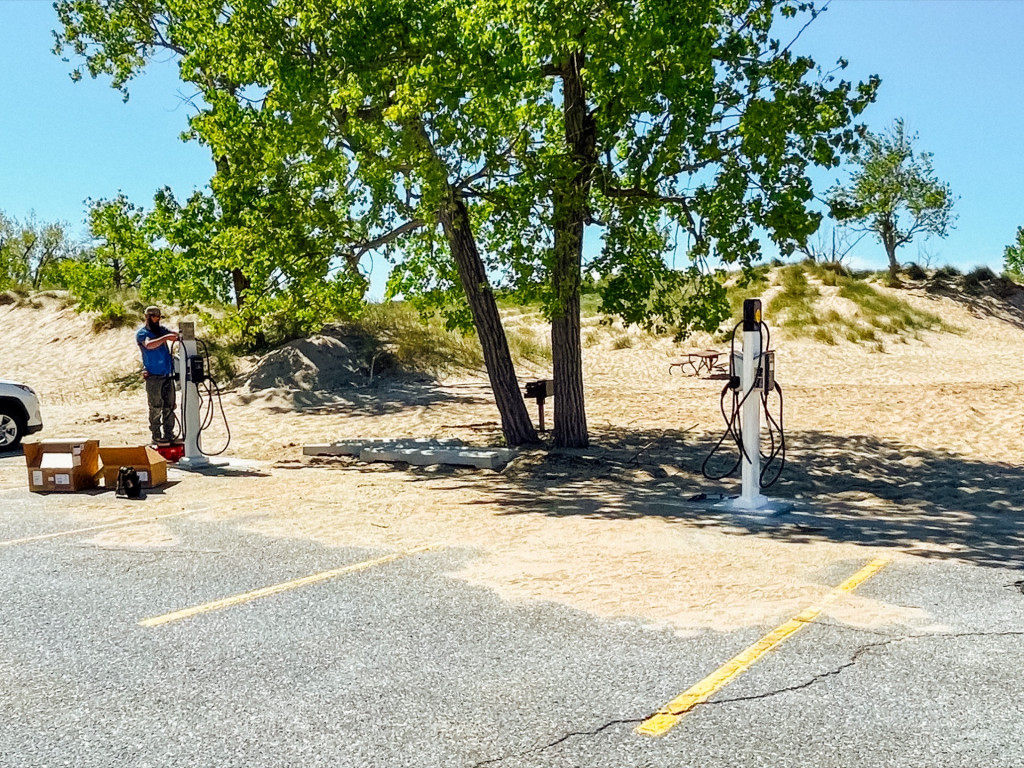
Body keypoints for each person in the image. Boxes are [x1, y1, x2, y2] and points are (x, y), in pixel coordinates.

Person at [136, 306, 179, 446]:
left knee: (169, 406)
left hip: (167, 374)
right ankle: (156, 435)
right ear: (147, 317)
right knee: (155, 407)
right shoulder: (142, 333)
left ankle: (169, 434)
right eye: (154, 316)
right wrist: (166, 337)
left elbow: (174, 336)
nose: (157, 319)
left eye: (158, 316)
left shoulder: (161, 330)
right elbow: (149, 345)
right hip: (153, 376)